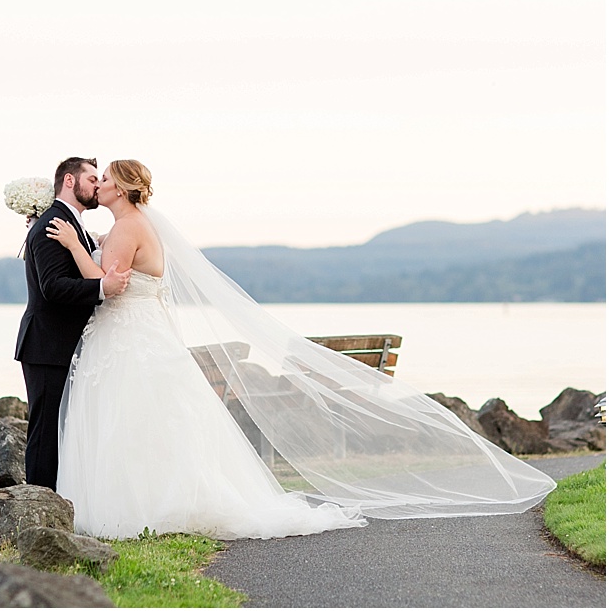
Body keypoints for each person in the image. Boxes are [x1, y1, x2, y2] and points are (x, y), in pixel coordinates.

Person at [47, 159, 556, 540]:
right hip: (141, 334)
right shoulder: (140, 226)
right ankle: (154, 502)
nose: (100, 185)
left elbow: (104, 282)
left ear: (126, 187)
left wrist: (72, 247)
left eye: (107, 179)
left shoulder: (126, 227)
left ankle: (136, 509)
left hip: (129, 336)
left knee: (130, 418)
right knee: (152, 420)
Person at [14, 157, 131, 490]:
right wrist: (101, 288)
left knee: (64, 430)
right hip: (47, 345)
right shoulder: (53, 222)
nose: (98, 185)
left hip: (64, 344)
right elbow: (52, 286)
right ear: (69, 180)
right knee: (46, 432)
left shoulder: (70, 223)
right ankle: (38, 504)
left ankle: (60, 500)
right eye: (93, 178)